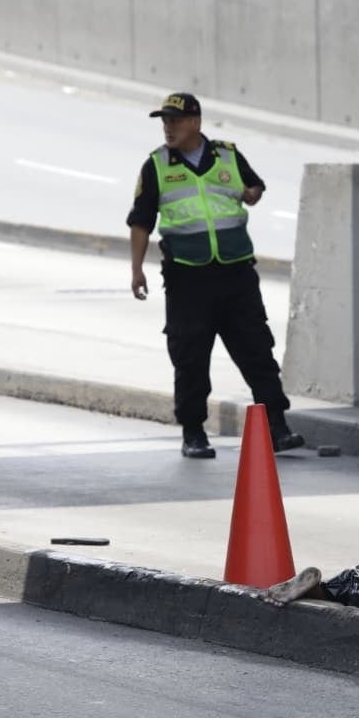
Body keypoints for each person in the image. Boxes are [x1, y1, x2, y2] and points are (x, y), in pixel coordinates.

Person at [127, 92, 305, 459]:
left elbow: (255, 186)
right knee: (190, 356)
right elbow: (141, 221)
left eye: (175, 121)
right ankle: (193, 433)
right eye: (164, 121)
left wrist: (249, 193)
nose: (168, 127)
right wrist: (136, 270)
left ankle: (277, 426)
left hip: (235, 272)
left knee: (257, 350)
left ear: (196, 122)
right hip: (188, 278)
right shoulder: (157, 166)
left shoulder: (227, 155)